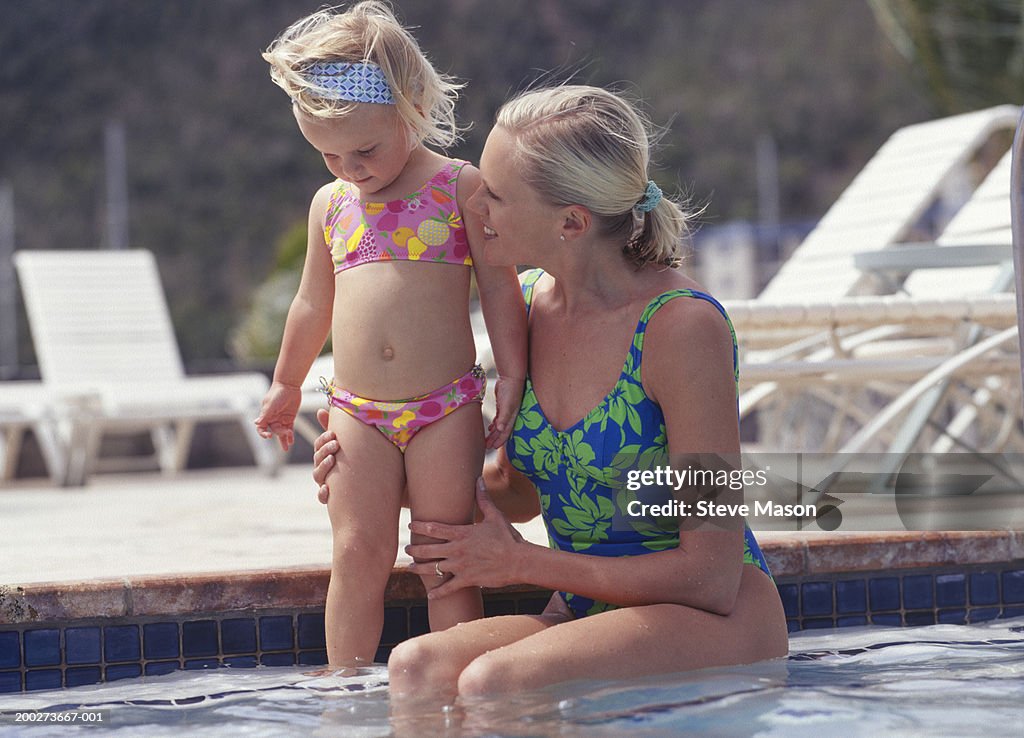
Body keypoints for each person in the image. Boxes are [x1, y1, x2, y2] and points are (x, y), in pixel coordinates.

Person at [312, 84, 788, 700]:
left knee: (495, 682)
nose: (473, 203)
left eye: (497, 195)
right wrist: (383, 478)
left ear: (571, 222)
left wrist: (524, 565)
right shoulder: (530, 308)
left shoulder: (682, 329)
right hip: (588, 608)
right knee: (416, 668)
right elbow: (519, 494)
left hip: (716, 617)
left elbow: (712, 575)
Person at [256, 1, 527, 669]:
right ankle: (341, 692)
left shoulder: (458, 186)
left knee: (444, 551)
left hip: (445, 407)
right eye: (328, 154)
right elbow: (311, 302)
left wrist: (513, 373)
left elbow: (498, 286)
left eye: (365, 149)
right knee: (355, 551)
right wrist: (287, 383)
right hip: (356, 411)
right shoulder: (333, 204)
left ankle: (450, 679)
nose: (349, 166)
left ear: (407, 108)